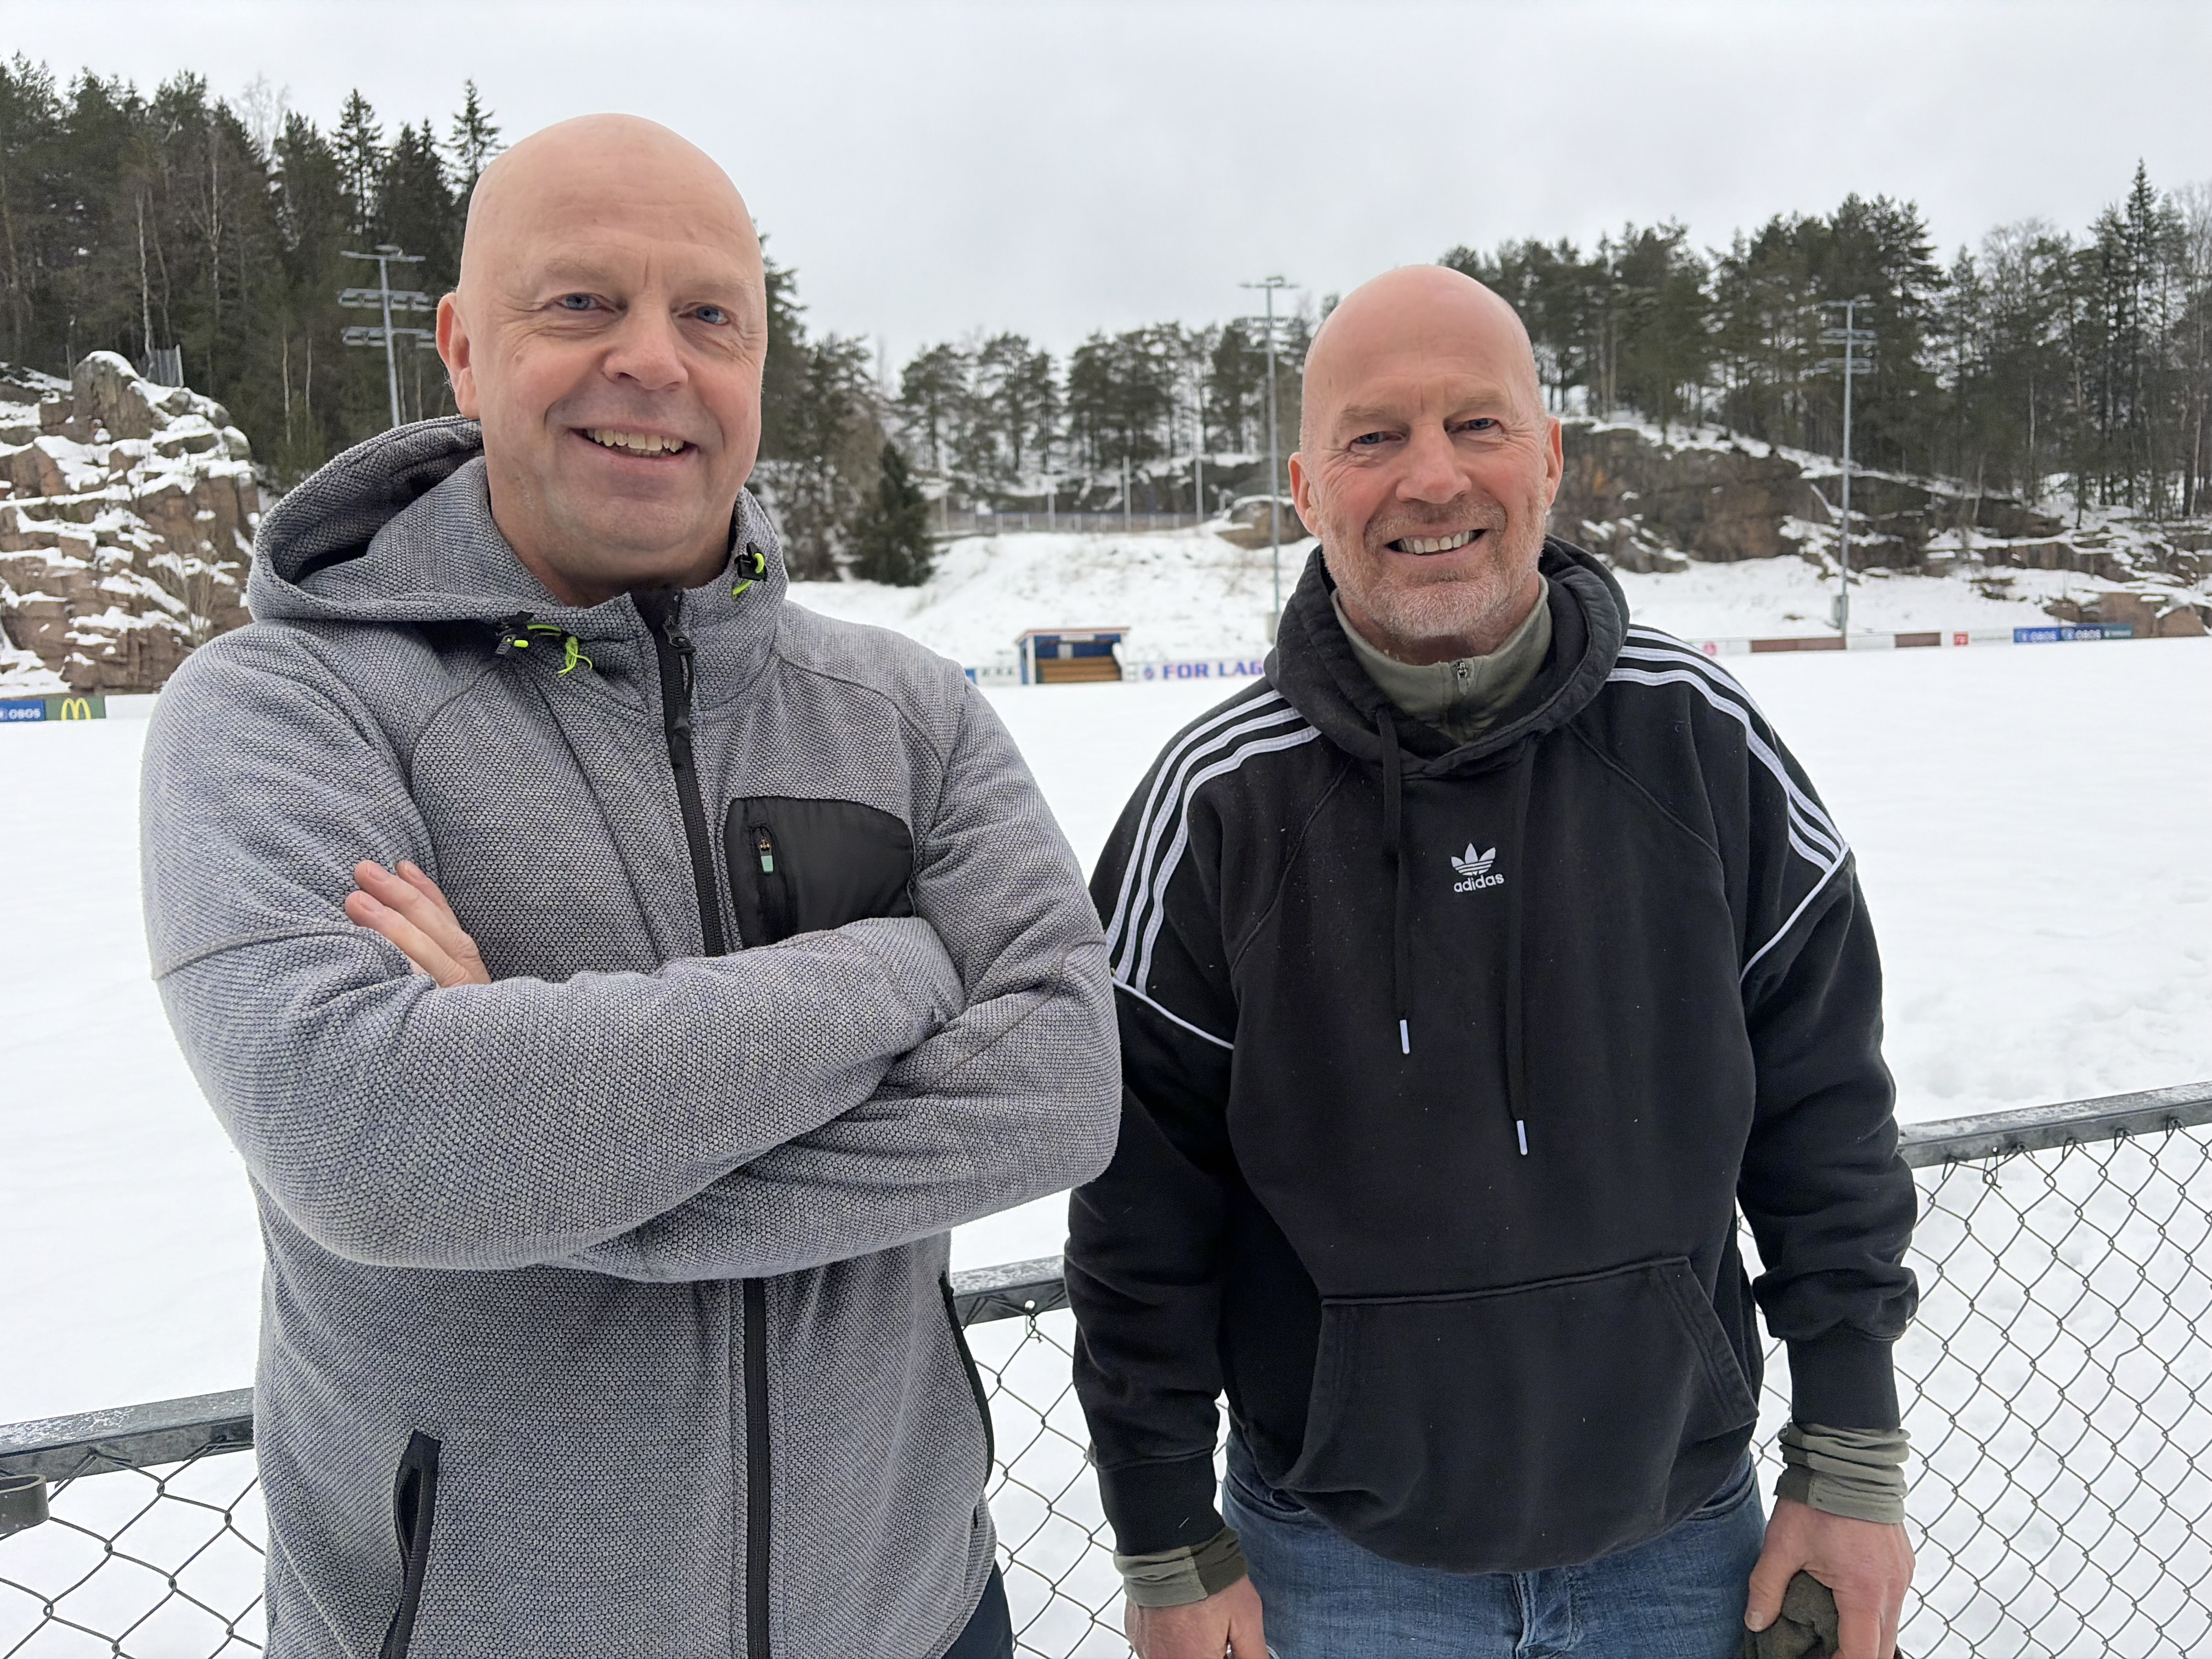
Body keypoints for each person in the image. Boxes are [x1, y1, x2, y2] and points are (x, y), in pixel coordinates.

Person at [139, 115, 1119, 1659]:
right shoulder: (286, 708)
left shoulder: (906, 714)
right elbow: (373, 1139)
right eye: (581, 303)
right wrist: (904, 970)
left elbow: (1062, 1085)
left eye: (708, 315)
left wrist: (561, 1166)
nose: (653, 361)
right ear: (464, 350)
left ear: (758, 361)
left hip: (921, 1618)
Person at [1066, 266, 1918, 1659]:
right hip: (1337, 1571)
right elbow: (1139, 1213)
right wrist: (1166, 1537)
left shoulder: (1701, 741)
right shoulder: (1216, 803)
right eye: (1375, 436)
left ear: (1550, 456)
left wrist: (1852, 1456)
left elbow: (1826, 1118)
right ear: (1307, 490)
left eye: (1477, 424)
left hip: (1680, 1547)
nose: (1433, 477)